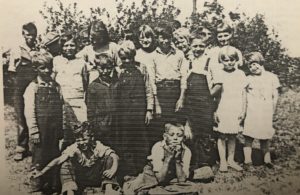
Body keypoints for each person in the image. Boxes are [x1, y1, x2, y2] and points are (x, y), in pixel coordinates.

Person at [32, 122, 120, 195]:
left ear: (92, 138)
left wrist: (113, 169)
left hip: (96, 176)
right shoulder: (75, 148)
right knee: (65, 163)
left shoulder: (98, 146)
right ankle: (70, 191)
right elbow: (58, 160)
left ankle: (109, 188)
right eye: (78, 140)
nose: (81, 143)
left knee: (109, 158)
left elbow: (114, 156)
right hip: (82, 178)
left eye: (84, 139)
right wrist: (42, 172)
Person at [24, 51, 63, 193]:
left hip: (54, 129)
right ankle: (37, 184)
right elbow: (29, 112)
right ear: (36, 69)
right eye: (43, 67)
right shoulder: (32, 88)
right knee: (39, 156)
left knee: (54, 154)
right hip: (40, 130)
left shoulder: (56, 86)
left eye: (49, 67)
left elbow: (61, 106)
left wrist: (61, 128)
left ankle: (53, 183)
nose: (47, 70)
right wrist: (34, 131)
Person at [184, 36, 221, 179]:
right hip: (191, 103)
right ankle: (193, 163)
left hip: (205, 104)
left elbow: (218, 85)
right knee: (192, 133)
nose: (198, 49)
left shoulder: (210, 62)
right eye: (195, 46)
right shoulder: (188, 62)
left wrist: (207, 97)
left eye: (201, 46)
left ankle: (205, 163)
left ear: (205, 46)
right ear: (190, 46)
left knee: (205, 134)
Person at [123, 122, 194, 195]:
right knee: (141, 188)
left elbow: (182, 180)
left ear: (184, 138)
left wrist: (177, 160)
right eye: (171, 135)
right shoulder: (158, 147)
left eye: (179, 135)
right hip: (153, 175)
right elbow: (160, 179)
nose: (175, 138)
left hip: (173, 176)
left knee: (190, 189)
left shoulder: (186, 151)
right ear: (165, 136)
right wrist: (168, 158)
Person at [115, 41, 149, 178]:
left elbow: (148, 89)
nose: (127, 60)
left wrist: (149, 110)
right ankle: (130, 170)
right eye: (124, 58)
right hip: (123, 111)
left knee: (140, 138)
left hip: (139, 110)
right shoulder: (117, 70)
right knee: (126, 139)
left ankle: (142, 167)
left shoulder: (142, 68)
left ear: (134, 56)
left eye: (130, 57)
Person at [243, 52, 280, 169]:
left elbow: (275, 96)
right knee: (248, 137)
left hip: (266, 112)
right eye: (250, 65)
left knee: (265, 137)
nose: (253, 67)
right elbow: (243, 95)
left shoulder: (272, 77)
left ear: (261, 63)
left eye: (255, 64)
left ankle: (267, 160)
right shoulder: (247, 78)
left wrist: (273, 111)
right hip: (252, 111)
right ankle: (247, 161)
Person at [213, 46, 247, 172]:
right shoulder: (219, 73)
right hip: (223, 107)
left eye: (232, 60)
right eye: (226, 60)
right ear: (221, 61)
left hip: (236, 108)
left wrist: (243, 110)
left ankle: (230, 160)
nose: (229, 63)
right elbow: (216, 95)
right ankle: (222, 161)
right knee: (222, 135)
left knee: (233, 135)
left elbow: (244, 93)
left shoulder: (240, 74)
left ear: (236, 60)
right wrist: (215, 111)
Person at [9, 22, 39, 161]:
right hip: (20, 85)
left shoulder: (38, 49)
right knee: (21, 114)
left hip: (34, 84)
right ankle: (21, 147)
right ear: (23, 35)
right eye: (28, 35)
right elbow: (12, 71)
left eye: (33, 35)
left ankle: (39, 147)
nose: (31, 38)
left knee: (35, 113)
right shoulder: (17, 49)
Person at [52, 33, 87, 149]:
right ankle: (64, 156)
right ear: (61, 47)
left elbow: (86, 83)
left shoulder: (81, 62)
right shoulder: (56, 61)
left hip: (78, 102)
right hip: (62, 102)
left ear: (76, 46)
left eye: (72, 45)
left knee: (81, 129)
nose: (69, 48)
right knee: (64, 131)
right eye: (66, 45)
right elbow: (52, 80)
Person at [151, 25, 189, 126]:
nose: (165, 41)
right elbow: (152, 81)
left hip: (176, 92)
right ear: (157, 38)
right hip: (161, 92)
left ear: (171, 38)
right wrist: (157, 104)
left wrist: (181, 98)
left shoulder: (179, 54)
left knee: (177, 124)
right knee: (161, 124)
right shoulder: (153, 56)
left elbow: (184, 77)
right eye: (162, 38)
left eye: (168, 38)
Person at [86, 53, 118, 145]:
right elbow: (90, 110)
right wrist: (93, 126)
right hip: (101, 125)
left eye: (108, 68)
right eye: (101, 68)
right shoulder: (93, 86)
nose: (105, 71)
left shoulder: (116, 83)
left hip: (116, 123)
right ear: (96, 68)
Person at [76, 20, 122, 86]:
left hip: (110, 84)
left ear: (104, 36)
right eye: (92, 38)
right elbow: (76, 60)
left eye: (98, 39)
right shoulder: (88, 49)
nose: (94, 41)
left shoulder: (112, 47)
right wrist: (87, 67)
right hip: (94, 85)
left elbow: (120, 66)